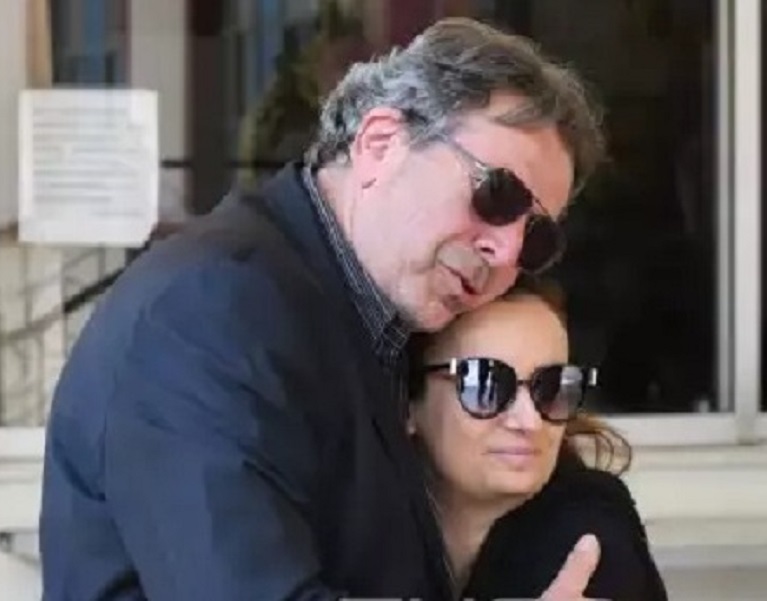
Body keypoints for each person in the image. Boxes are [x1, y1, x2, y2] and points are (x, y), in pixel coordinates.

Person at [39, 18, 606, 600]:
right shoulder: (209, 309)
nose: (506, 251)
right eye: (497, 196)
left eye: (536, 238)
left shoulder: (382, 313)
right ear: (380, 143)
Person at [407, 280, 669, 600]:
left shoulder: (590, 532)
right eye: (486, 384)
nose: (530, 422)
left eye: (552, 386)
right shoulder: (364, 525)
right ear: (407, 403)